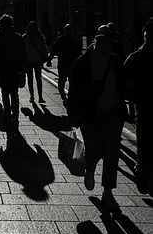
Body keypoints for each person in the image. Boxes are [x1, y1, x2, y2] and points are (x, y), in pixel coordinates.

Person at [67, 26, 127, 210]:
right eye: (100, 40)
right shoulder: (82, 63)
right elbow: (74, 91)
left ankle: (108, 192)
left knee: (111, 153)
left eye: (107, 41)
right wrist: (73, 115)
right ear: (95, 41)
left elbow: (124, 84)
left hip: (113, 113)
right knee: (94, 149)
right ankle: (90, 167)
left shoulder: (116, 62)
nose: (103, 44)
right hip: (89, 113)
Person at [124, 18, 153, 194]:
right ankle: (142, 174)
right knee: (144, 144)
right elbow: (125, 82)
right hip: (144, 109)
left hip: (144, 107)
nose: (149, 38)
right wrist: (134, 95)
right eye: (147, 35)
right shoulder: (135, 58)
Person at [0, 14, 27, 128]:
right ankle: (15, 117)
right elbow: (23, 55)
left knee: (5, 93)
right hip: (15, 69)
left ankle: (7, 116)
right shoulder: (18, 37)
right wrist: (23, 71)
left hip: (3, 70)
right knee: (14, 94)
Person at [48, 24, 82, 104]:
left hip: (64, 63)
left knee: (63, 80)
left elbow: (53, 50)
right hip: (70, 64)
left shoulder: (60, 39)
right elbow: (79, 54)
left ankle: (63, 94)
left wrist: (49, 59)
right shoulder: (75, 41)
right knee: (70, 80)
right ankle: (68, 95)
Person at [23, 21, 49, 104]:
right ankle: (37, 96)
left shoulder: (25, 38)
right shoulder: (39, 37)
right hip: (35, 60)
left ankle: (33, 96)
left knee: (32, 79)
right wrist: (46, 57)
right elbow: (44, 48)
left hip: (30, 60)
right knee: (37, 79)